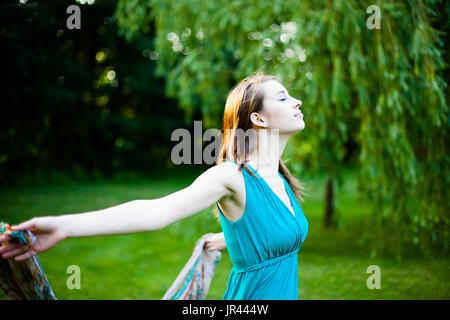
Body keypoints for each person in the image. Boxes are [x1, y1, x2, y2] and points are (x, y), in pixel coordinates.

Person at [0, 71, 308, 300]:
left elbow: (265, 229)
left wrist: (229, 239)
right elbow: (156, 212)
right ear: (259, 119)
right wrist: (62, 226)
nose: (297, 101)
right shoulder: (232, 177)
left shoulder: (278, 177)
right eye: (283, 97)